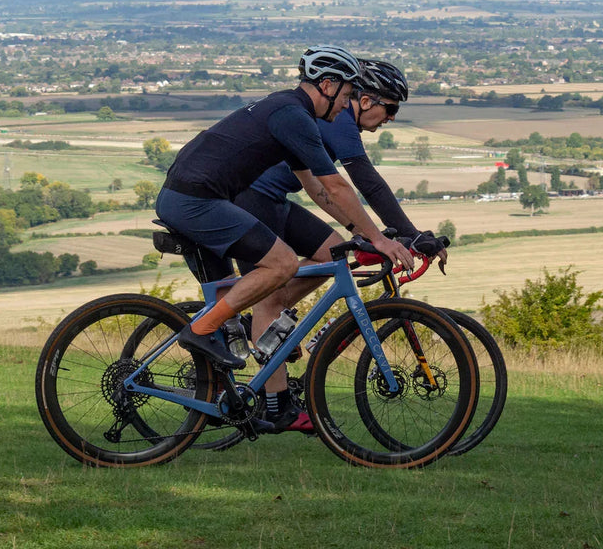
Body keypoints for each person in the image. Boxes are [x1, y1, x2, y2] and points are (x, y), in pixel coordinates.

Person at [154, 46, 415, 390]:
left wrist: (361, 232)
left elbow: (317, 189)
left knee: (315, 258)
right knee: (283, 264)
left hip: (198, 196)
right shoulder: (293, 115)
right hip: (194, 200)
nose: (345, 105)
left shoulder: (293, 112)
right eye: (346, 95)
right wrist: (378, 239)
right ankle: (203, 331)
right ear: (327, 85)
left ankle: (247, 321)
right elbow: (337, 186)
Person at [231, 59, 447, 429]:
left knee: (336, 255)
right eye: (390, 108)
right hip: (249, 202)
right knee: (269, 298)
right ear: (365, 100)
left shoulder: (336, 120)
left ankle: (266, 322)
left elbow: (323, 192)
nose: (391, 118)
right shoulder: (340, 122)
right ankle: (275, 407)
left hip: (274, 201)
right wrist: (408, 234)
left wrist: (360, 231)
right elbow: (367, 182)